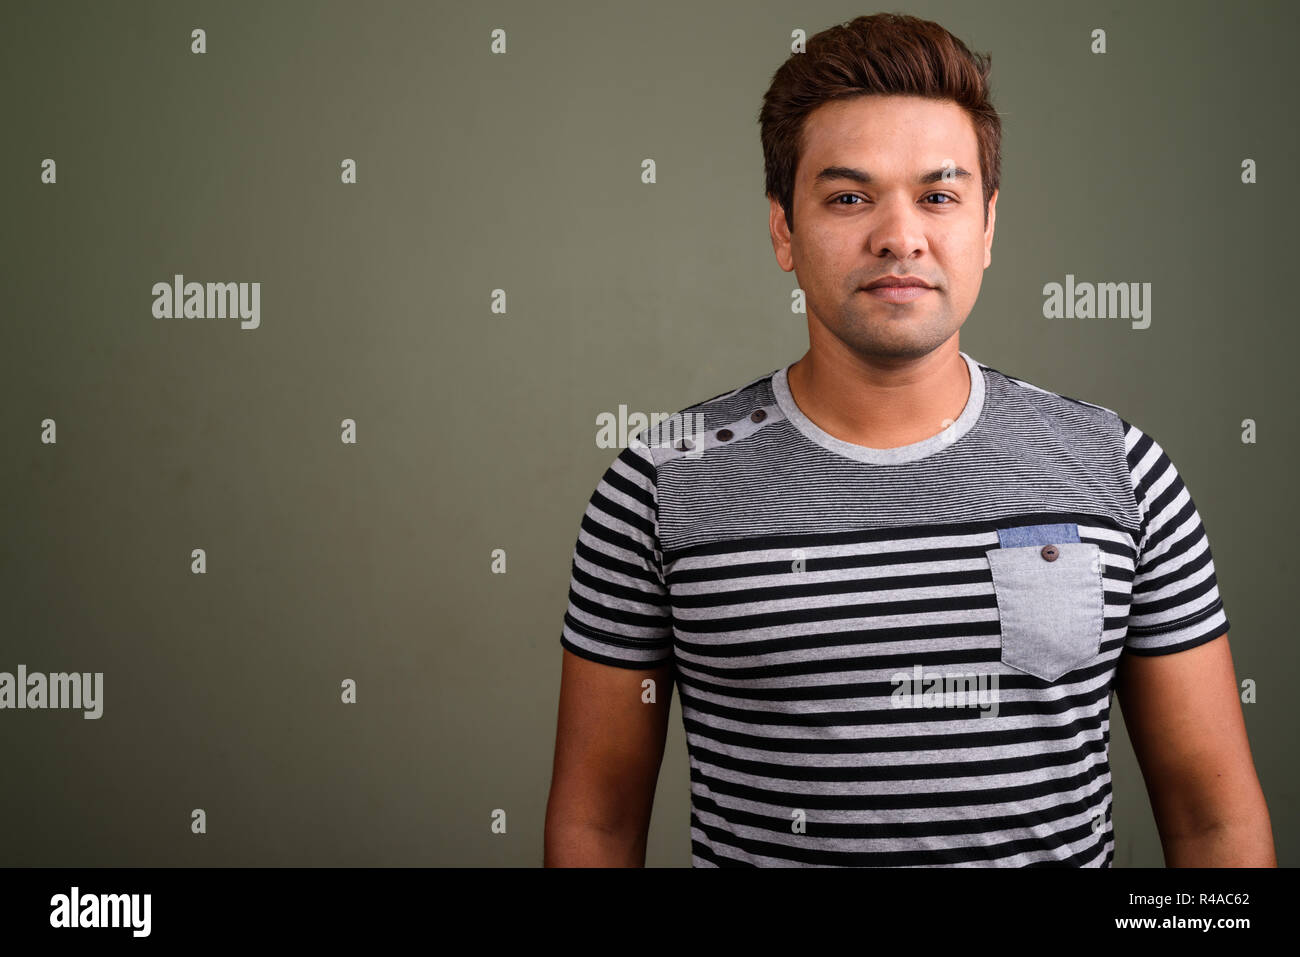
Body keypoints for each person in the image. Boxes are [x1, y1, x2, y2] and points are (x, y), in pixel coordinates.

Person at [544, 12, 1274, 867]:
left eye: (939, 195)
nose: (900, 235)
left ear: (988, 224)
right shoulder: (659, 485)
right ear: (783, 228)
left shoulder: (1122, 471)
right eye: (850, 196)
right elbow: (595, 822)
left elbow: (1213, 822)